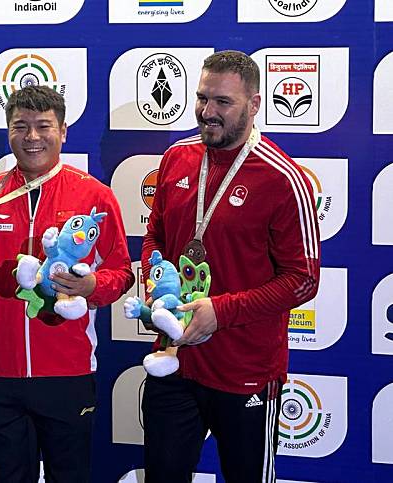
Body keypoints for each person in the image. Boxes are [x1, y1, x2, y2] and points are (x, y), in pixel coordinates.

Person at [140, 50, 321, 483]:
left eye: (223, 102)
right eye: (202, 98)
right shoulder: (176, 158)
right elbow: (155, 240)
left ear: (254, 105)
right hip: (174, 358)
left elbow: (304, 280)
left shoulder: (282, 178)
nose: (207, 112)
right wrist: (154, 277)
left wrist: (221, 312)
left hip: (245, 371)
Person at [0, 85, 134, 483]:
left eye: (43, 126)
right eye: (20, 126)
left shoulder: (95, 196)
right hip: (0, 373)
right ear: (8, 131)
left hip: (67, 371)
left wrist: (91, 287)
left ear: (64, 131)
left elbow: (122, 272)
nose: (32, 137)